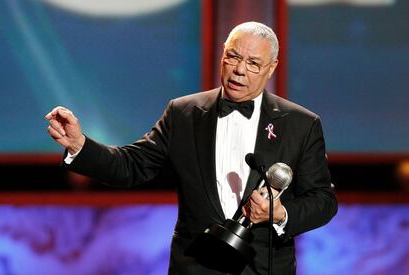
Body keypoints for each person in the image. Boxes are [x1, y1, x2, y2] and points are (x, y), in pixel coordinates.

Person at [46, 21, 337, 275]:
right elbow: (131, 166)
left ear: (271, 67)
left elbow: (323, 200)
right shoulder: (184, 113)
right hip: (196, 267)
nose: (238, 70)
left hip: (263, 268)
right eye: (232, 56)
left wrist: (279, 213)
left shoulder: (300, 124)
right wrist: (80, 145)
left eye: (252, 63)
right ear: (222, 53)